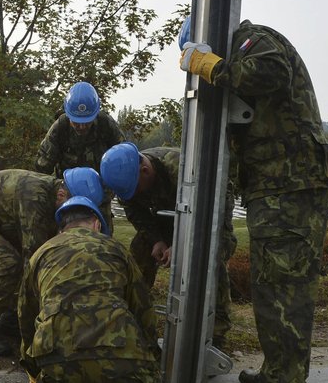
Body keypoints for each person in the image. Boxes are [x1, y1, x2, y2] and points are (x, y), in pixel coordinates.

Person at [179, 19, 328, 383]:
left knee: (282, 299)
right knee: (275, 291)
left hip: (289, 186)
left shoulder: (253, 42)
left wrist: (210, 67)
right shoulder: (247, 44)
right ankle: (278, 381)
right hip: (280, 187)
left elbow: (270, 74)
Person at [18, 195, 176, 383]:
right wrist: (150, 364)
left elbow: (26, 316)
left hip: (57, 360)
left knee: (75, 382)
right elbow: (144, 311)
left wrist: (34, 367)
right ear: (95, 224)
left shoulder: (41, 253)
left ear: (62, 228)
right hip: (120, 358)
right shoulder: (116, 250)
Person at [0, 167, 104, 356]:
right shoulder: (34, 197)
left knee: (21, 262)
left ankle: (10, 317)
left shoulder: (52, 195)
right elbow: (35, 257)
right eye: (72, 206)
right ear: (62, 193)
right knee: (9, 263)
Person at [100, 142, 237, 347]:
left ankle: (215, 335)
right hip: (165, 218)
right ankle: (134, 315)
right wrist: (157, 240)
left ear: (145, 171)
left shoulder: (184, 170)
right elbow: (135, 212)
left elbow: (208, 214)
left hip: (207, 219)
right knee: (140, 249)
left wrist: (182, 245)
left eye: (135, 189)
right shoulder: (126, 177)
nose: (133, 194)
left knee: (211, 259)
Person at [35, 81, 126, 227]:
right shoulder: (60, 128)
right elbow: (41, 169)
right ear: (68, 114)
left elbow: (123, 159)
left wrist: (115, 188)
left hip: (100, 197)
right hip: (68, 197)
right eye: (76, 122)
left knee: (101, 240)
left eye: (87, 121)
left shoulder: (106, 125)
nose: (82, 126)